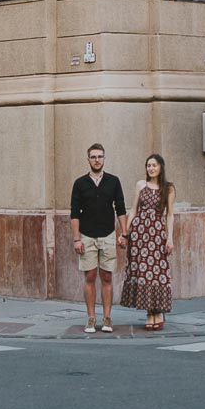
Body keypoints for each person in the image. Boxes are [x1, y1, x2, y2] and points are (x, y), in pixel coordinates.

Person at [70, 143, 128, 334]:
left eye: (100, 157)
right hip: (86, 236)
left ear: (104, 158)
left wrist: (124, 233)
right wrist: (76, 239)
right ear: (88, 159)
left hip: (108, 235)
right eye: (93, 157)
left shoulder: (113, 181)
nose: (97, 160)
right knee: (90, 276)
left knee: (107, 277)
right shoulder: (80, 183)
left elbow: (120, 208)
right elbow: (74, 213)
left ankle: (107, 318)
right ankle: (90, 318)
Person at [120, 153, 175, 330]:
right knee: (143, 271)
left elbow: (170, 214)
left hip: (157, 234)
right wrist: (125, 232)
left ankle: (157, 311)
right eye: (148, 165)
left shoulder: (168, 188)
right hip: (140, 235)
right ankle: (148, 313)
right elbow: (134, 209)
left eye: (154, 165)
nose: (151, 168)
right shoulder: (140, 185)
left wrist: (170, 237)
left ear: (161, 167)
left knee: (157, 272)